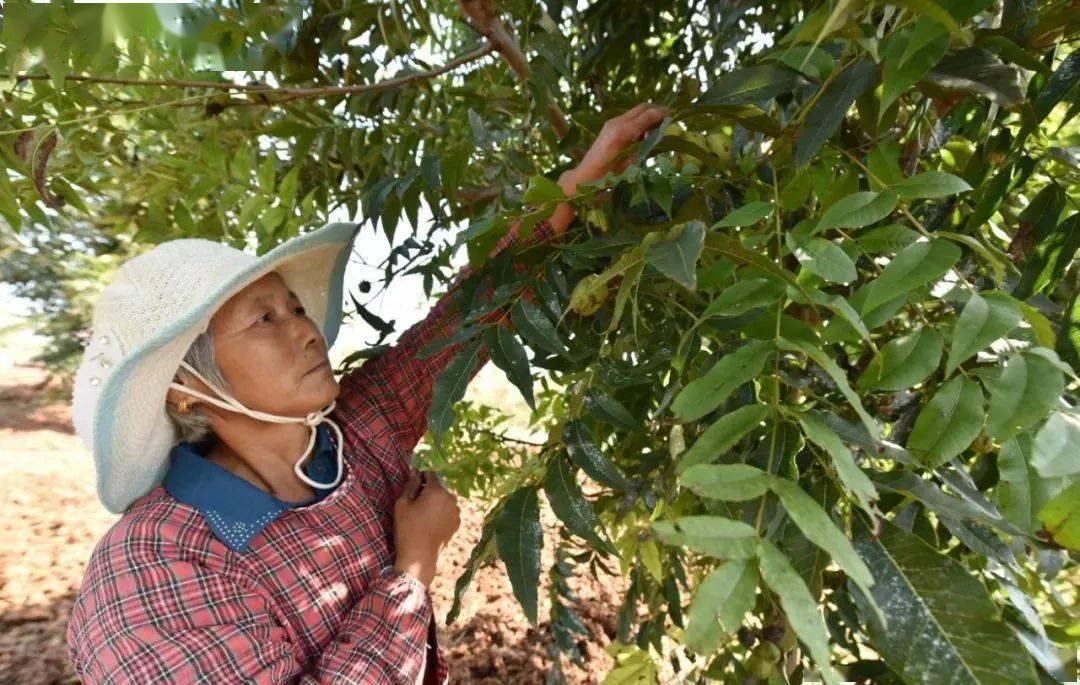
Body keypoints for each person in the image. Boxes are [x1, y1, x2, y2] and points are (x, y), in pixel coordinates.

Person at [64, 102, 670, 683]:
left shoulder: (356, 434)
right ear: (187, 389)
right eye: (264, 320)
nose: (306, 332)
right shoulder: (150, 569)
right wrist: (414, 567)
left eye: (296, 308)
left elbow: (461, 322)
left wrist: (574, 188)